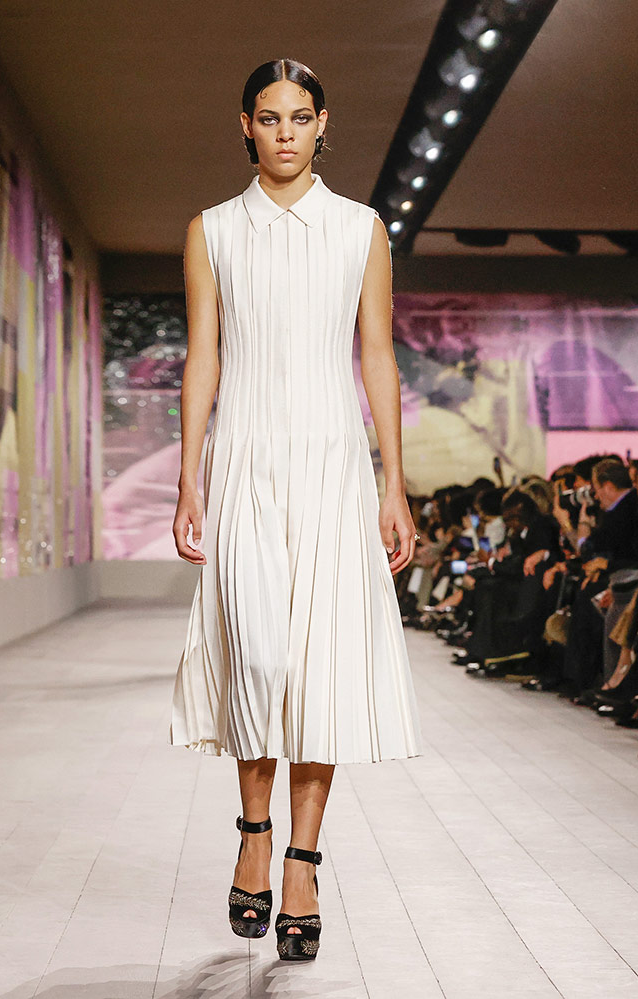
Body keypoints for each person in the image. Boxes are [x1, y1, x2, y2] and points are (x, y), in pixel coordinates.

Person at [168, 58, 423, 962]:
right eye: (270, 117)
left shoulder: (361, 229)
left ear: (323, 124)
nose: (285, 132)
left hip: (332, 465)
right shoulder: (211, 230)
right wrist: (190, 475)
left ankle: (302, 861)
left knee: (320, 667)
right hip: (243, 460)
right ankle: (253, 831)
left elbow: (377, 356)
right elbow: (204, 356)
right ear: (245, 125)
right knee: (259, 656)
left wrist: (393, 482)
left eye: (301, 117)